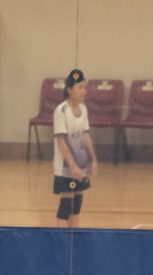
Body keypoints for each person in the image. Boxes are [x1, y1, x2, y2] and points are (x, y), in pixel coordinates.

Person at [52, 69, 96, 228]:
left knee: (77, 203)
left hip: (81, 164)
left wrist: (93, 160)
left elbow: (85, 135)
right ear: (69, 89)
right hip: (66, 167)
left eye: (85, 88)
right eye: (79, 87)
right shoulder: (61, 111)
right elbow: (61, 141)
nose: (83, 91)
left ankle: (74, 236)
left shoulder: (83, 109)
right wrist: (72, 165)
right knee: (66, 204)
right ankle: (60, 238)